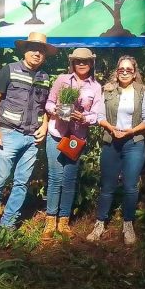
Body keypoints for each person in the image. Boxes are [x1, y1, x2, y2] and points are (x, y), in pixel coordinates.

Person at [0, 32, 57, 250]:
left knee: (22, 183)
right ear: (25, 50)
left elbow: (46, 107)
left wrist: (44, 126)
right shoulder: (9, 70)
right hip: (8, 134)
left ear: (45, 55)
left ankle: (8, 224)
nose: (37, 53)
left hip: (32, 139)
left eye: (41, 50)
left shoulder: (45, 77)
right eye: (33, 49)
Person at [87, 56, 145, 245]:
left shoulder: (142, 92)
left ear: (134, 73)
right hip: (111, 142)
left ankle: (128, 224)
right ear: (117, 72)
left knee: (130, 186)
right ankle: (100, 223)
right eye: (121, 69)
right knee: (107, 186)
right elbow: (99, 116)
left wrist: (131, 131)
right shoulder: (107, 91)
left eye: (128, 70)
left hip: (134, 143)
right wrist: (111, 128)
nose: (124, 72)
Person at [43, 48, 104, 239]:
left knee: (69, 179)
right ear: (72, 63)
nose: (81, 64)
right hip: (56, 134)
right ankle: (50, 220)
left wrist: (84, 118)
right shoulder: (62, 80)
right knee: (55, 177)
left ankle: (64, 221)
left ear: (91, 63)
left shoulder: (96, 87)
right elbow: (49, 102)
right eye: (78, 61)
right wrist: (57, 110)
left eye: (85, 61)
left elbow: (97, 114)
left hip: (76, 139)